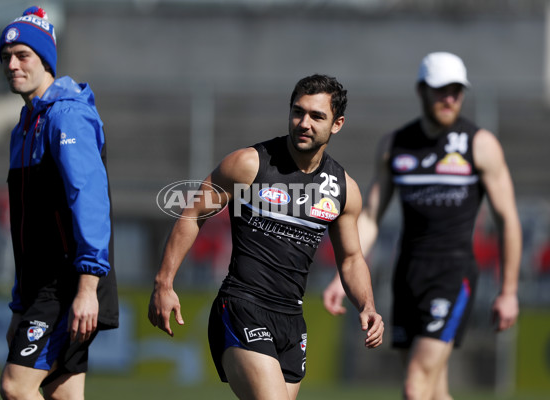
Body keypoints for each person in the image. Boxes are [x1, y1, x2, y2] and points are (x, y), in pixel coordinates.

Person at [148, 74, 384, 400]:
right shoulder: (249, 165)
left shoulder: (344, 189)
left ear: (337, 124)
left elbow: (351, 258)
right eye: (298, 112)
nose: (304, 123)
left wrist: (367, 305)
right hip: (242, 306)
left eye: (317, 116)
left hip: (292, 322)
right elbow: (192, 215)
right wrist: (164, 283)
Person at [323, 52, 522, 400]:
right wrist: (343, 276)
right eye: (440, 90)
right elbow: (370, 216)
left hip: (453, 275)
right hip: (407, 276)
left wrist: (508, 291)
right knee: (433, 391)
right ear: (422, 91)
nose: (449, 98)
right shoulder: (394, 146)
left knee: (415, 386)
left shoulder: (480, 145)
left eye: (456, 91)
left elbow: (508, 220)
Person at [0, 6, 118, 400]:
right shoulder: (25, 125)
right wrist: (20, 303)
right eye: (6, 57)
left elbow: (91, 201)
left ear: (45, 59)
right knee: (63, 395)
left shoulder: (67, 117)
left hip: (68, 284)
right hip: (41, 287)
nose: (12, 65)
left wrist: (87, 288)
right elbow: (25, 228)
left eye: (22, 55)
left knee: (17, 387)